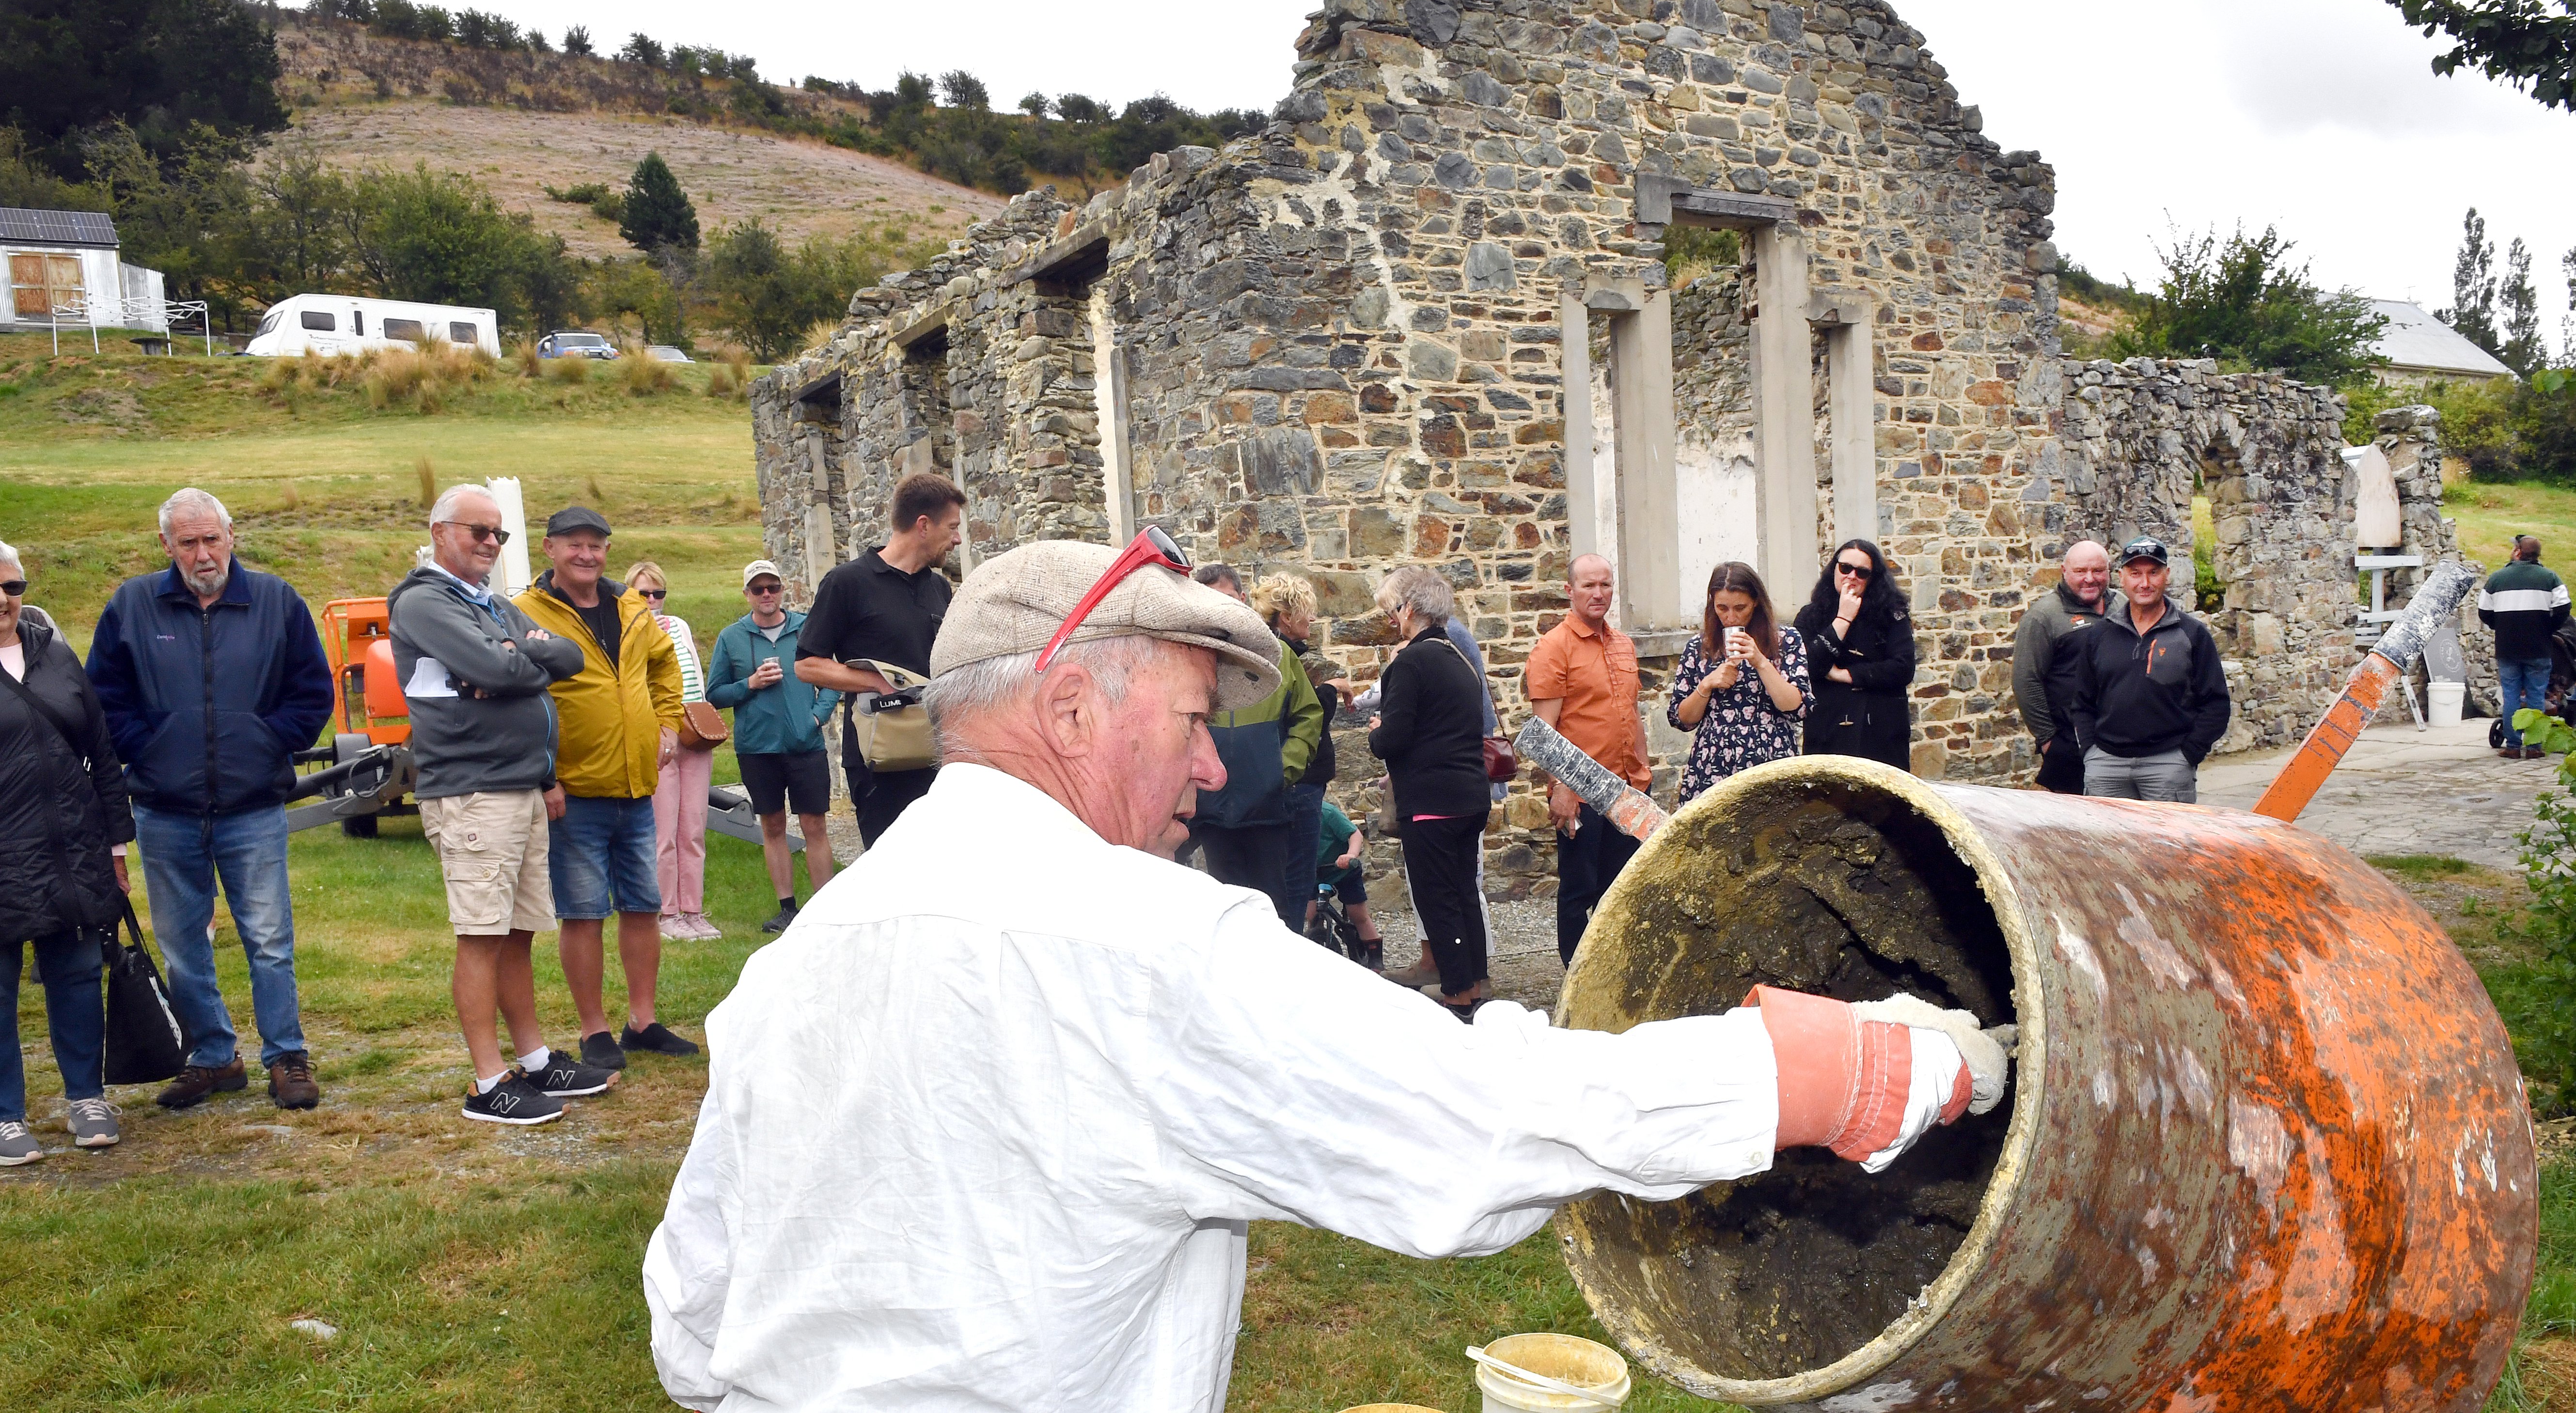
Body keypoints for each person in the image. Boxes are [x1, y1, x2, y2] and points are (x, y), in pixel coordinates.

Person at [642, 532, 2009, 1412]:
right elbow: (1479, 1123)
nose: (1205, 766)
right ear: (1066, 707)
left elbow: (694, 1319)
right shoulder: (1132, 945)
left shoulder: (801, 953)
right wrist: (1858, 1066)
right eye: (1189, 722)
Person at [87, 487, 332, 1113]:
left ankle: (286, 1055)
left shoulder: (276, 601)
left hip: (252, 808)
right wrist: (151, 750)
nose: (203, 553)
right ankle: (213, 1055)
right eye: (188, 542)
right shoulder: (132, 605)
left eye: (212, 539)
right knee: (181, 943)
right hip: (165, 810)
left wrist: (264, 741)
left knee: (270, 938)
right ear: (166, 545)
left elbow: (311, 692)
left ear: (232, 536)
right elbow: (104, 699)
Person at [389, 486, 617, 1125]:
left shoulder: (487, 601)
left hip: (519, 786)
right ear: (440, 532)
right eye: (478, 530)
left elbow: (567, 655)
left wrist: (516, 660)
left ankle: (536, 1059)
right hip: (472, 789)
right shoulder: (424, 600)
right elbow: (498, 664)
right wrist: (513, 658)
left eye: (499, 533)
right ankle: (488, 1082)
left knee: (518, 934)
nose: (490, 542)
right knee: (482, 936)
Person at [513, 507, 698, 1070]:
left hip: (636, 786)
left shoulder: (630, 608)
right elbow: (518, 695)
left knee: (644, 905)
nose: (587, 554)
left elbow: (665, 666)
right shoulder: (524, 612)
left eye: (596, 545)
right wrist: (545, 775)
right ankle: (594, 1029)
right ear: (549, 548)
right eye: (575, 544)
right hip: (575, 790)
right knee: (585, 912)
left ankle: (642, 1020)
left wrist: (668, 721)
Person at [0, 544, 132, 1162]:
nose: (3, 599)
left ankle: (87, 1099)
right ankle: (5, 1115)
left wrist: (116, 842)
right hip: (5, 855)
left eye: (11, 585)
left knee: (78, 975)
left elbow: (102, 753)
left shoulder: (54, 652)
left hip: (71, 850)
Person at [795, 473, 963, 850]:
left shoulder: (938, 587)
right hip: (879, 761)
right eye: (952, 527)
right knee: (892, 874)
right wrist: (876, 682)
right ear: (923, 525)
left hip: (935, 754)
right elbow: (807, 665)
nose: (958, 539)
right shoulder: (847, 583)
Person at [1368, 566, 1493, 1016]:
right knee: (1464, 894)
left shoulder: (1411, 663)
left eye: (1393, 611)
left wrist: (1376, 732)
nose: (1392, 620)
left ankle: (1457, 993)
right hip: (1470, 796)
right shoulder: (1459, 658)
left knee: (1438, 899)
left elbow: (1395, 738)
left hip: (1431, 802)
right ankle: (1474, 984)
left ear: (1412, 610)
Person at [1524, 553, 1651, 964]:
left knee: (1624, 890)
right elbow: (1545, 735)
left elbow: (1632, 713)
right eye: (1589, 586)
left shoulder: (1623, 644)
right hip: (1581, 794)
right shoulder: (1553, 648)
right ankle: (1576, 980)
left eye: (1606, 585)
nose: (1599, 594)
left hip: (1628, 789)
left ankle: (1616, 973)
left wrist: (1644, 779)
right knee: (1579, 891)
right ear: (1570, 590)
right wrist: (1561, 790)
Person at [1186, 563, 1323, 931]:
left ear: (1243, 599)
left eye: (1226, 597)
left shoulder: (1277, 653)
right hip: (1213, 811)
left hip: (1266, 808)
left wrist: (1280, 769)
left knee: (1272, 910)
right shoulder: (1190, 656)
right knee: (1226, 910)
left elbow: (1309, 716)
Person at [707, 559, 838, 934]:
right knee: (773, 824)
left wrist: (818, 716)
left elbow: (830, 678)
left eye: (773, 588)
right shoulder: (731, 637)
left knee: (815, 823)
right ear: (747, 594)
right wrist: (749, 684)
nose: (767, 595)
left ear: (783, 591)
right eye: (758, 589)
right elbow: (714, 694)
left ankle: (825, 910)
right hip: (757, 748)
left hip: (805, 743)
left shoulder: (806, 628)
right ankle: (787, 910)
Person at [2051, 536, 2232, 803]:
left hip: (2167, 765)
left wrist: (2188, 754)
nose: (2144, 583)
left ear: (2167, 575)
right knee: (2107, 843)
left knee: (2168, 844)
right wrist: (2091, 751)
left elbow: (2216, 704)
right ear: (2121, 577)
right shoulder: (2099, 635)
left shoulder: (2192, 634)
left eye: (2153, 573)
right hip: (2106, 767)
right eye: (2135, 574)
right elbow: (2082, 701)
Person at [1251, 572, 1359, 954]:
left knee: (1283, 880)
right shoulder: (1281, 656)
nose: (1311, 621)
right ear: (1286, 617)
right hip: (1297, 784)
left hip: (1282, 782)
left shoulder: (1269, 653)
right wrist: (1331, 689)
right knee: (1295, 882)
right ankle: (1288, 960)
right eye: (1306, 614)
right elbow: (1302, 717)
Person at [1667, 561, 1810, 807]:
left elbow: (1796, 707)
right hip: (1713, 761)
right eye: (1722, 608)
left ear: (1756, 602)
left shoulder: (1786, 641)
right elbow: (1682, 719)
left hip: (1769, 756)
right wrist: (1707, 685)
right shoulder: (1699, 647)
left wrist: (1761, 662)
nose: (1731, 617)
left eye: (1740, 608)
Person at [627, 560, 717, 942]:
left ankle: (693, 909)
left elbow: (695, 675)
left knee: (693, 827)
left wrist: (701, 719)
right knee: (663, 831)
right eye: (643, 593)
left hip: (692, 732)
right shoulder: (624, 629)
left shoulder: (679, 626)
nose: (651, 600)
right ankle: (667, 912)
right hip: (656, 734)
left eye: (658, 593)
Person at [1793, 538, 1918, 771]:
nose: (1852, 576)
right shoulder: (1811, 616)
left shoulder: (1892, 615)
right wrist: (1843, 619)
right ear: (1835, 569)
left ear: (1872, 579)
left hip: (1879, 735)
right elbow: (1806, 666)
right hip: (1828, 731)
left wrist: (1845, 674)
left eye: (1861, 573)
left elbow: (1903, 667)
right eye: (1845, 568)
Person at [2010, 540, 2117, 793]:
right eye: (2081, 572)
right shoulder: (2044, 617)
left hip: (2120, 742)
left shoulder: (2124, 606)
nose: (2090, 579)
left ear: (2109, 571)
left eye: (2098, 571)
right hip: (2070, 744)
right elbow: (2025, 681)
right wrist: (2048, 739)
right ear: (2064, 571)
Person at [2481, 535, 2569, 758]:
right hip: (2539, 647)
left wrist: (2500, 626)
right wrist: (2548, 628)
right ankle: (2534, 746)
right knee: (2536, 696)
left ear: (2518, 552)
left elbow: (2484, 611)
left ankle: (2512, 747)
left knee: (2511, 696)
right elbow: (2564, 608)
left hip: (2508, 648)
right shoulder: (2550, 578)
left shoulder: (2497, 579)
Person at [1313, 797, 1382, 954]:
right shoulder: (1289, 815)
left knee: (1358, 915)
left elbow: (1355, 834)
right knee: (1312, 915)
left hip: (1343, 870)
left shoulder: (1328, 813)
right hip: (1315, 873)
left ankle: (1375, 958)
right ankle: (1315, 946)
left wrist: (1351, 855)